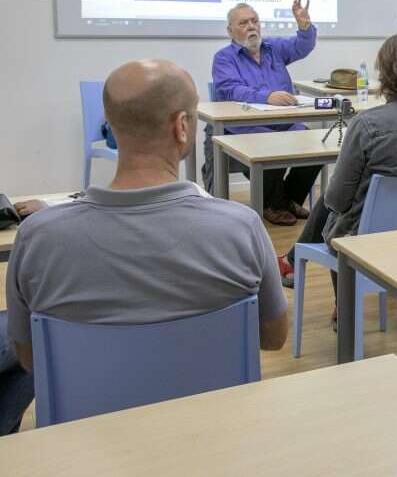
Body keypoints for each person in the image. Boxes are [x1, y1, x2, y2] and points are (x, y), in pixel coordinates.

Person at [5, 60, 287, 396]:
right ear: (182, 127)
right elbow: (273, 337)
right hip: (216, 429)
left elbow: (29, 357)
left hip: (87, 435)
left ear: (109, 127)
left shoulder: (37, 238)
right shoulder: (242, 227)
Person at [279, 34, 397, 319]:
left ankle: (343, 306)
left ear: (385, 74)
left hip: (367, 241)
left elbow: (338, 200)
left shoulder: (367, 125)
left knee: (331, 211)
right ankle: (295, 264)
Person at [212, 0, 321, 226]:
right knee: (270, 143)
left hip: (283, 122)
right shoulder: (224, 58)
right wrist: (266, 96)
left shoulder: (274, 48)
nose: (251, 26)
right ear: (230, 30)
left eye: (255, 21)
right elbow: (230, 88)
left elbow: (302, 47)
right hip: (246, 126)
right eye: (243, 23)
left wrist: (304, 26)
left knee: (315, 145)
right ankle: (271, 204)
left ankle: (287, 199)